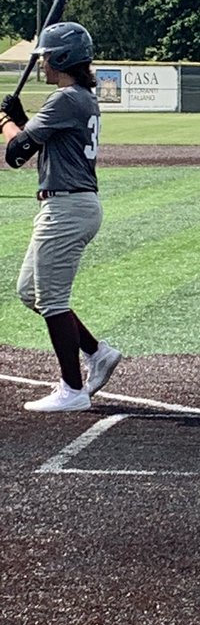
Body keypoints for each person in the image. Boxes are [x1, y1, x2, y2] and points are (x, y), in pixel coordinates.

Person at [0, 22, 121, 412]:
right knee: (29, 292)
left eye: (47, 56)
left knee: (52, 299)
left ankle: (72, 390)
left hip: (67, 208)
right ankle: (97, 353)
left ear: (63, 59)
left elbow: (16, 153)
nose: (43, 63)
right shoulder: (77, 98)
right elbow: (32, 144)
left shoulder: (66, 99)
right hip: (65, 204)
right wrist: (19, 120)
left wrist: (5, 123)